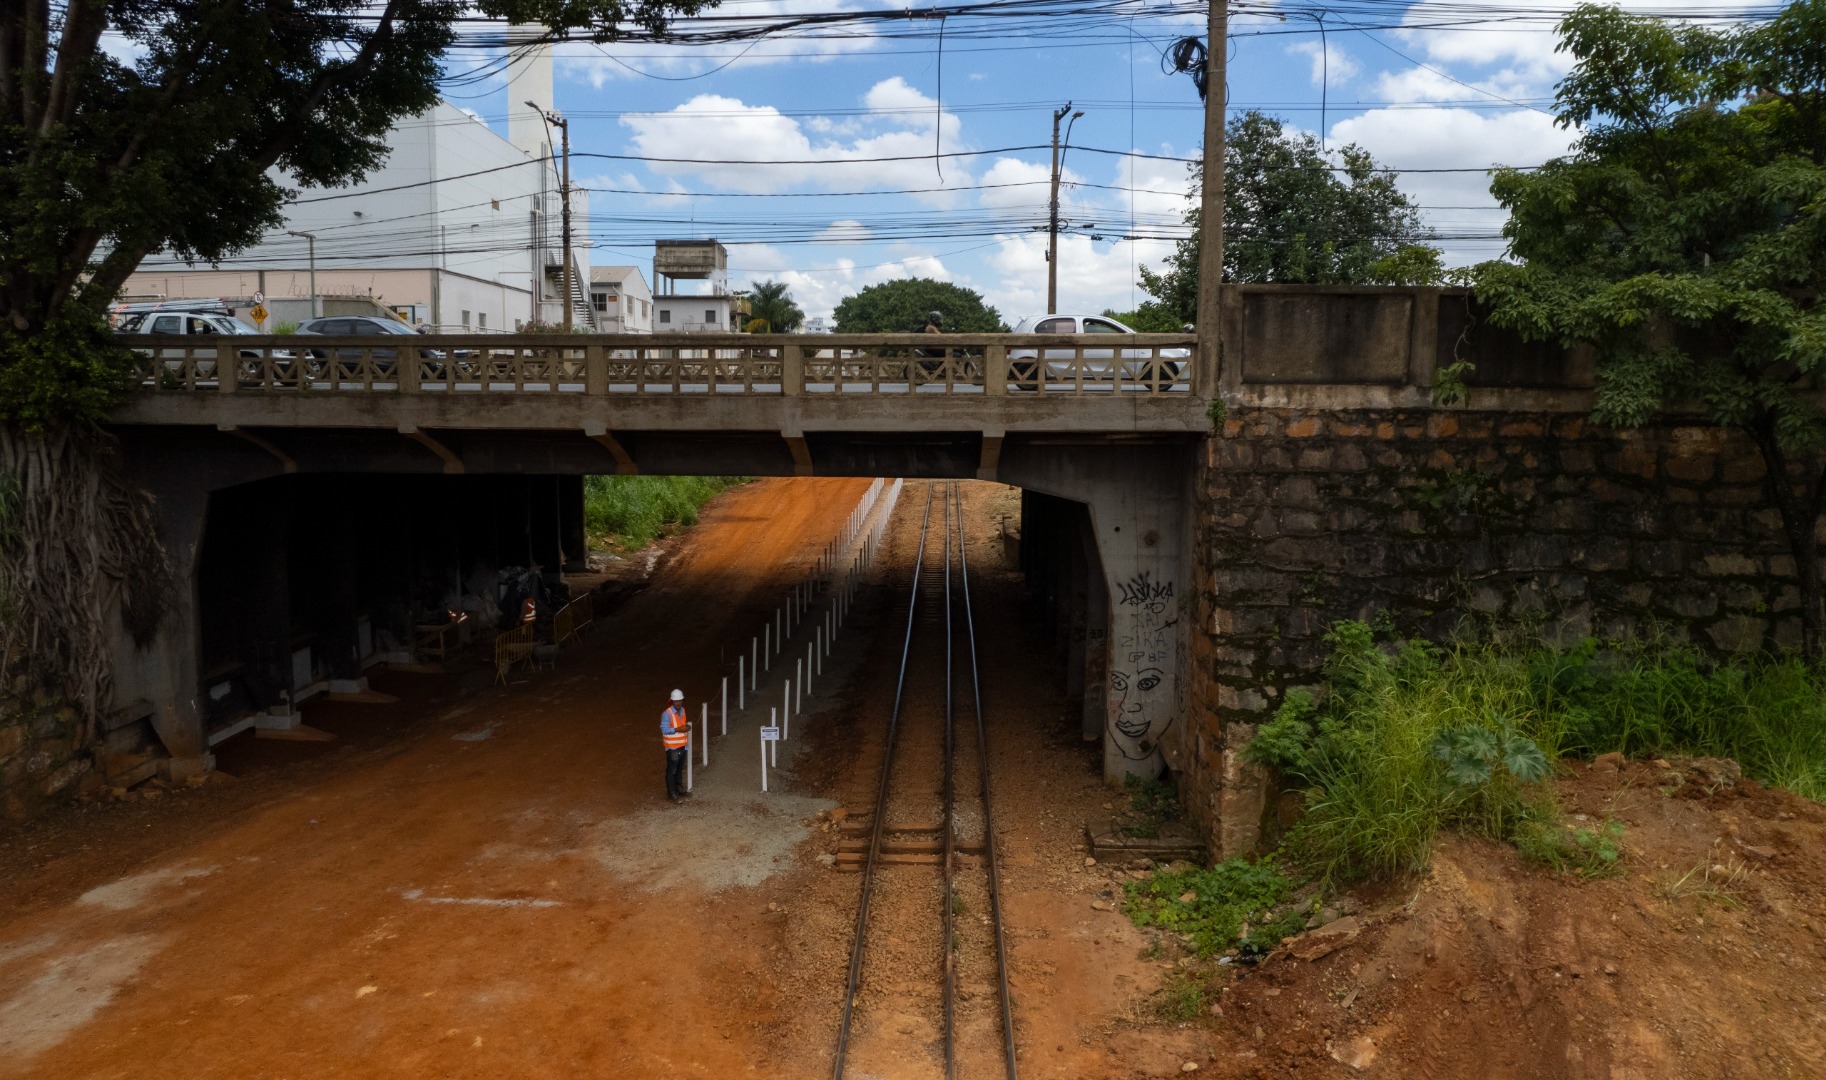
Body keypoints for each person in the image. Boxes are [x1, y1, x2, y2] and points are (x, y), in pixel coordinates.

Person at [661, 689, 691, 802]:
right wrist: (680, 729)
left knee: (679, 769)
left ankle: (678, 788)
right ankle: (671, 793)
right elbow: (664, 730)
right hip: (672, 747)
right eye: (676, 701)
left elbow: (681, 725)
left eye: (680, 701)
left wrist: (685, 727)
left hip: (682, 745)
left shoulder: (682, 710)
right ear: (672, 701)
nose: (678, 703)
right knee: (672, 770)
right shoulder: (667, 714)